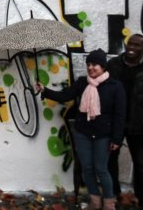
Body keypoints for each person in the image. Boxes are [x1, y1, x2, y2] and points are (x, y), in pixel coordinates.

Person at [36, 49, 126, 210]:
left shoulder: (115, 86)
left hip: (103, 135)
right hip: (83, 132)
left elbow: (120, 115)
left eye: (95, 64)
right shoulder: (82, 82)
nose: (91, 68)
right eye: (89, 64)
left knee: (101, 169)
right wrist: (45, 90)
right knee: (87, 169)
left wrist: (117, 139)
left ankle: (109, 203)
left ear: (103, 66)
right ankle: (95, 201)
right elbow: (65, 96)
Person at [106, 34, 143, 210]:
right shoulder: (113, 65)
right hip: (115, 122)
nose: (132, 47)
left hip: (139, 126)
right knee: (110, 160)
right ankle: (113, 194)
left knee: (141, 163)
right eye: (130, 43)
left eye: (137, 45)